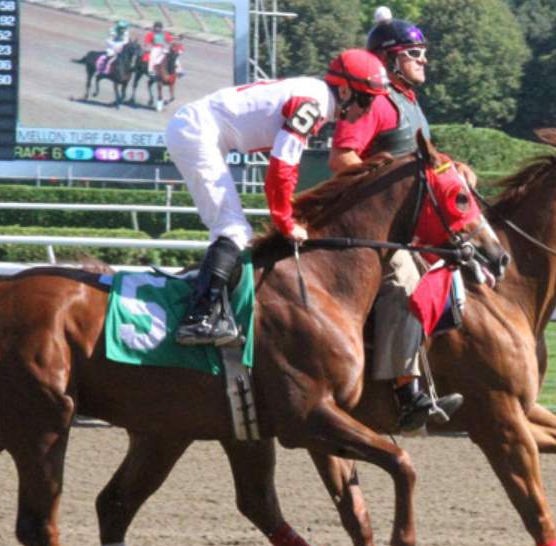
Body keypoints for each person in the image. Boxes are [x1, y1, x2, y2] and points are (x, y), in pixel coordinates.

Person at [165, 49, 389, 346]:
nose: (368, 109)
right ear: (345, 90)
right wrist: (285, 221)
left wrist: (286, 215)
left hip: (202, 130)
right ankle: (197, 319)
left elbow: (280, 171)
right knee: (233, 230)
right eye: (366, 99)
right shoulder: (313, 104)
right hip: (198, 132)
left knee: (233, 229)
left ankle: (211, 307)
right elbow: (282, 168)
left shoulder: (315, 97)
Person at [328, 7, 471, 431]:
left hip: (411, 225)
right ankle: (406, 391)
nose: (423, 59)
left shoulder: (409, 103)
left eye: (423, 52)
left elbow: (422, 161)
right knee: (410, 285)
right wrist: (386, 180)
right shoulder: (379, 103)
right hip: (376, 231)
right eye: (414, 52)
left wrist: (452, 166)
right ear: (389, 60)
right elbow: (342, 157)